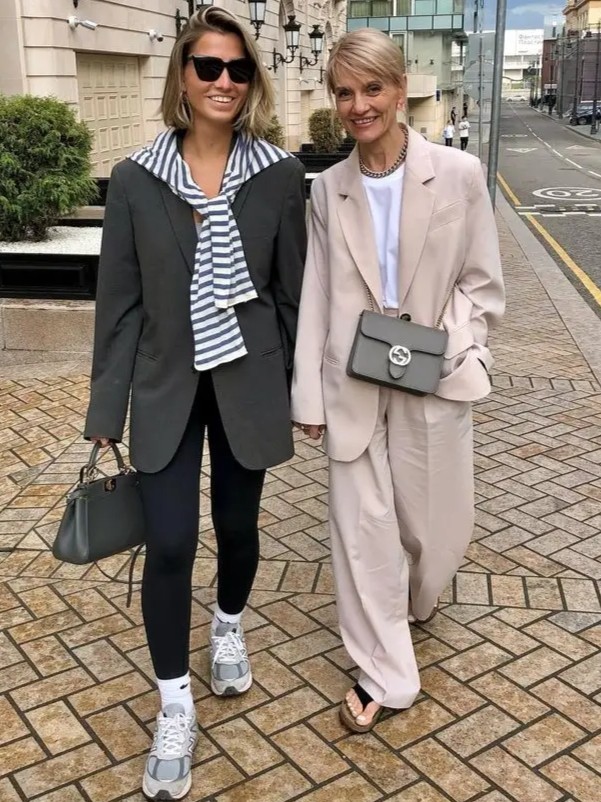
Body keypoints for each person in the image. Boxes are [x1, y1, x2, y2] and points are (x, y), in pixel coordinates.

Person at [84, 7, 306, 799]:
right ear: (182, 76)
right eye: (207, 66)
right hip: (165, 387)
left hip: (248, 383)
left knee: (238, 531)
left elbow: (292, 296)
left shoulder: (279, 175)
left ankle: (228, 626)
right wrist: (105, 413)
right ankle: (174, 704)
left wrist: (300, 391)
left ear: (252, 81)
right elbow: (119, 306)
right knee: (171, 542)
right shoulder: (136, 180)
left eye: (237, 69)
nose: (223, 81)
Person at [291, 27, 504, 733]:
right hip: (351, 381)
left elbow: (481, 282)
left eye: (372, 88)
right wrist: (308, 394)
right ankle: (385, 668)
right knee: (362, 532)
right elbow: (317, 293)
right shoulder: (328, 190)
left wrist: (457, 347)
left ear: (401, 88)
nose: (359, 106)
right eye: (344, 93)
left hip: (430, 374)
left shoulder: (458, 174)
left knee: (436, 528)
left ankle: (417, 597)